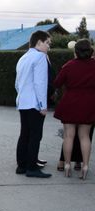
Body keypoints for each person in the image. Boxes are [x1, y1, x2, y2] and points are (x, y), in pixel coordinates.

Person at [53, 39, 95, 180]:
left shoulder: (69, 65)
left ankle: (67, 166)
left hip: (70, 102)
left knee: (68, 136)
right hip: (89, 103)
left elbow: (57, 83)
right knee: (85, 136)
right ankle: (85, 166)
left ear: (75, 52)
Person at [14, 30, 53, 178]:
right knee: (35, 136)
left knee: (24, 134)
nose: (49, 46)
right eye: (47, 43)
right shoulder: (40, 57)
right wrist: (43, 105)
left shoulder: (23, 57)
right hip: (35, 103)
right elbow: (40, 83)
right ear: (39, 42)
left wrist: (22, 96)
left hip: (23, 101)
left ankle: (21, 166)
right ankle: (32, 168)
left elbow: (17, 84)